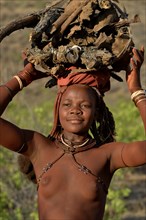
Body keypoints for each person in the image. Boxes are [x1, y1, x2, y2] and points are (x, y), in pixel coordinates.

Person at [0, 46, 145, 220]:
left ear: (97, 112)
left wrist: (136, 91)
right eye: (67, 104)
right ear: (57, 109)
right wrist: (22, 78)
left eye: (84, 105)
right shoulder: (38, 147)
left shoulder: (107, 155)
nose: (75, 110)